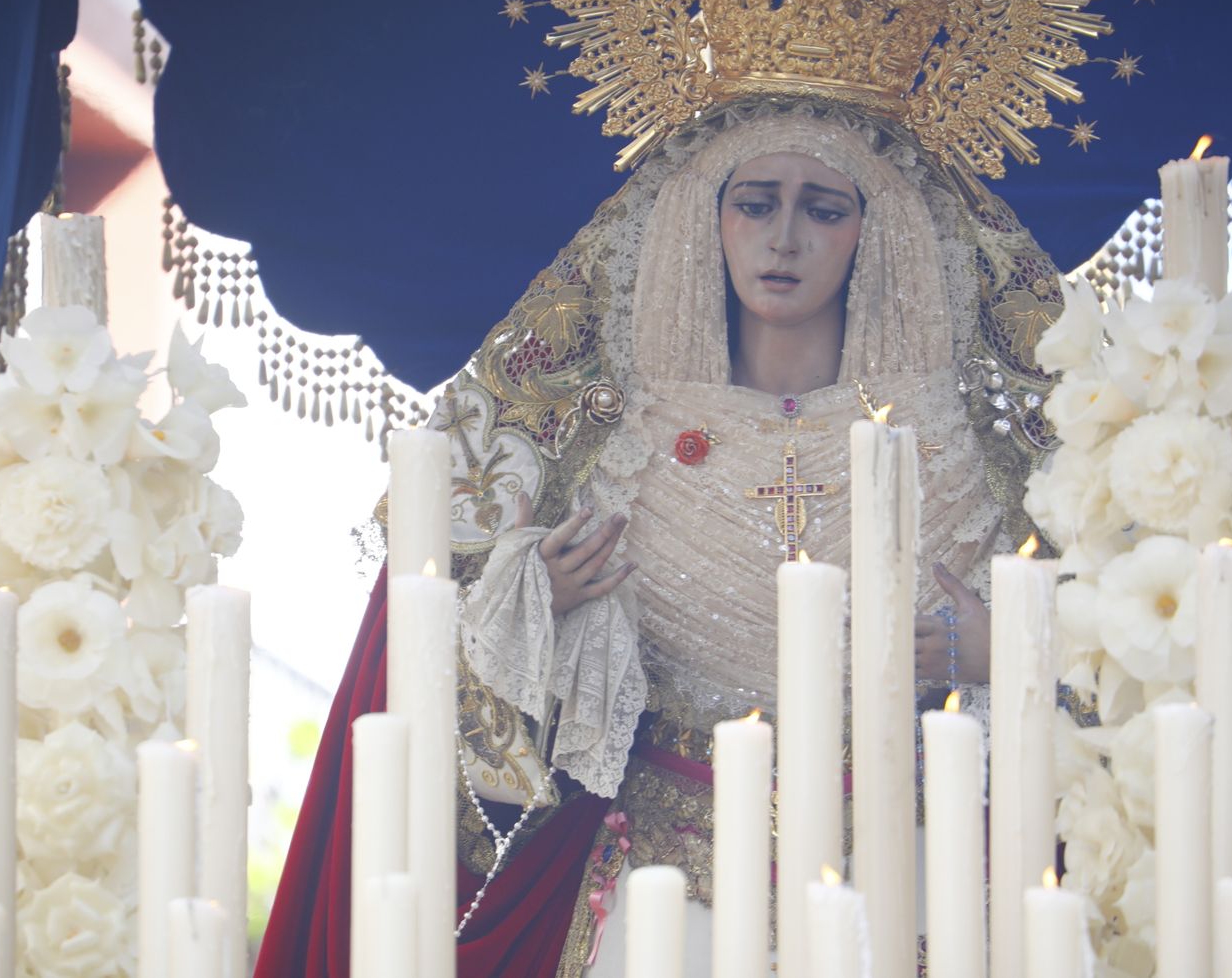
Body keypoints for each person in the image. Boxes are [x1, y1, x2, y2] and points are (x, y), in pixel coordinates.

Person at [253, 98, 1064, 978]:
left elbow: (1121, 667)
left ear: (878, 231)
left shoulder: (957, 463)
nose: (784, 238)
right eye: (755, 203)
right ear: (704, 219)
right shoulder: (619, 458)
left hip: (911, 882)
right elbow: (430, 671)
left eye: (825, 210)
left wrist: (1009, 653)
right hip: (665, 894)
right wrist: (536, 607)